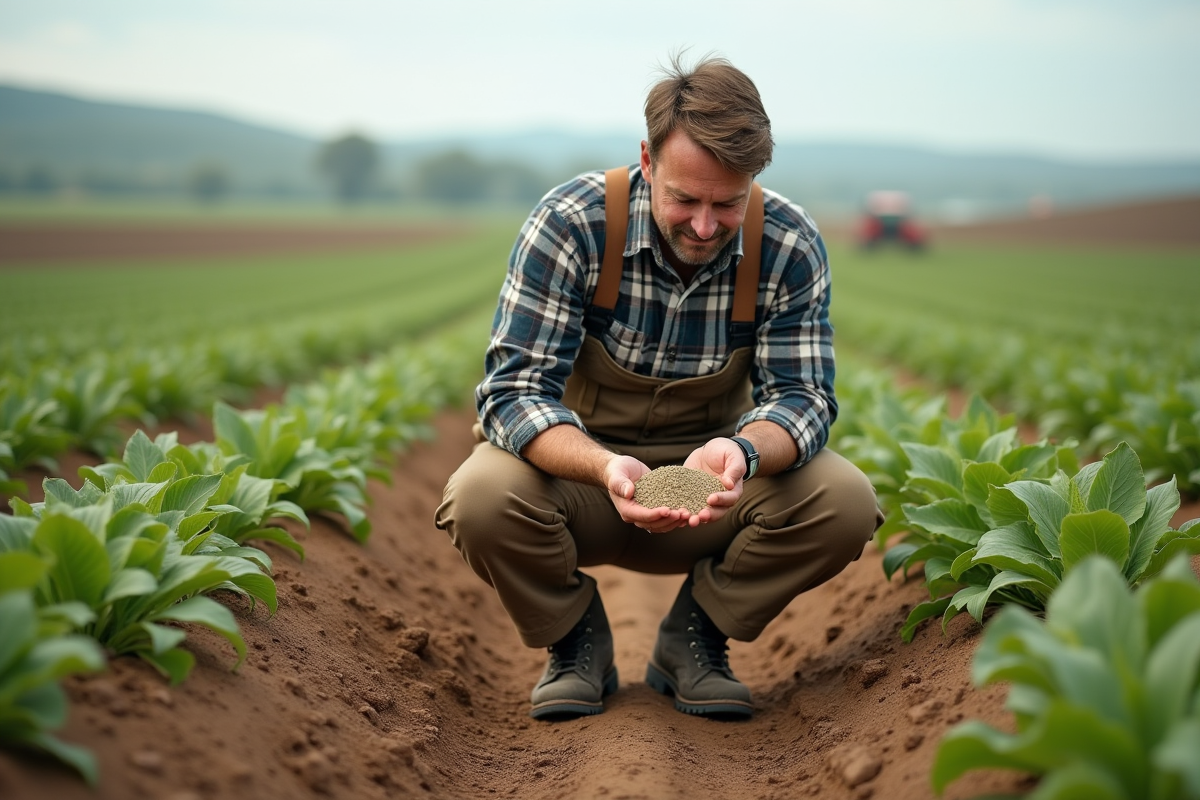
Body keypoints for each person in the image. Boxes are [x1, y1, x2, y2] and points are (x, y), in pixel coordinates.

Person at [435, 54, 882, 721]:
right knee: (480, 497)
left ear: (753, 180)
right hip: (581, 482)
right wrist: (606, 468)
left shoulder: (787, 243)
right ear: (647, 161)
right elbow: (513, 393)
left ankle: (694, 636)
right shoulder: (573, 223)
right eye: (685, 199)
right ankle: (574, 639)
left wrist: (741, 453)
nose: (704, 225)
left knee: (844, 502)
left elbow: (804, 398)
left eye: (727, 204)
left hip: (710, 490)